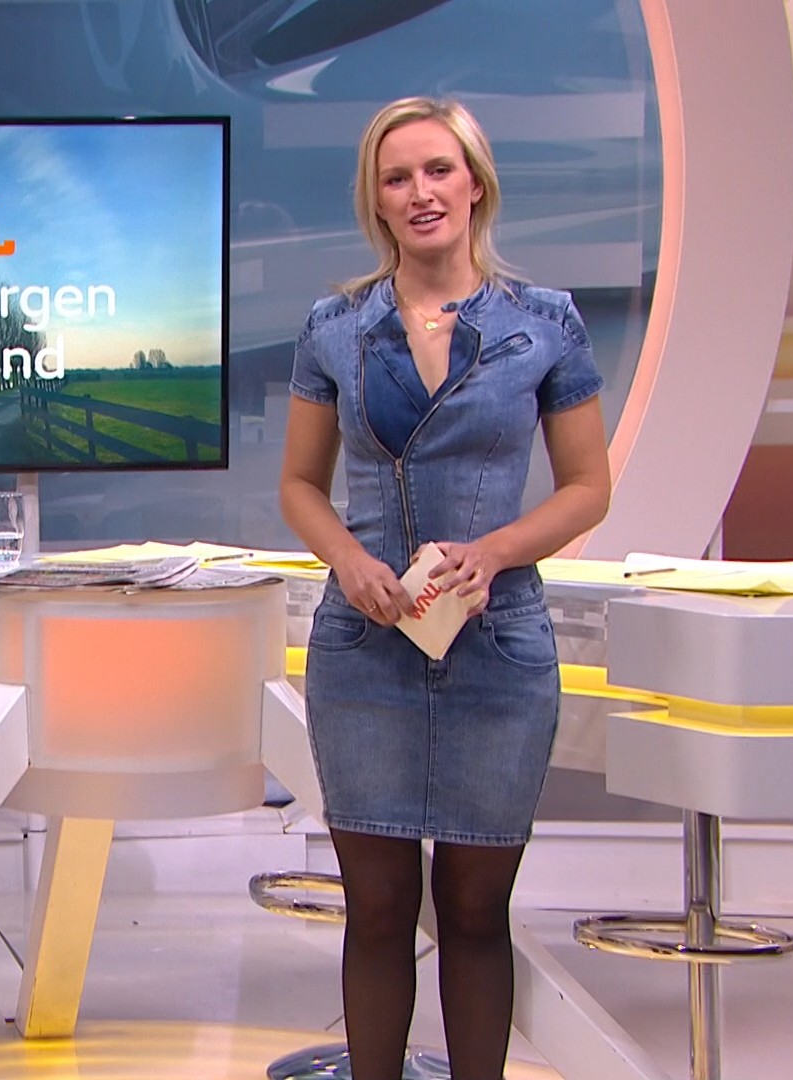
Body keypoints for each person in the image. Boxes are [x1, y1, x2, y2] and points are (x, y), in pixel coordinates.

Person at [278, 98, 611, 1080]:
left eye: (437, 170)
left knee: (474, 910)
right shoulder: (336, 327)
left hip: (496, 645)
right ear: (376, 201)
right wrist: (348, 559)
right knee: (378, 910)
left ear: (475, 184)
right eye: (397, 178)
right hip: (366, 646)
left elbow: (588, 487)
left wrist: (497, 550)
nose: (420, 192)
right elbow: (299, 484)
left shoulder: (544, 323)